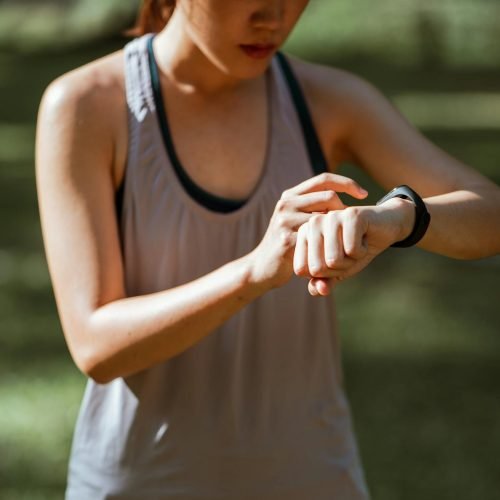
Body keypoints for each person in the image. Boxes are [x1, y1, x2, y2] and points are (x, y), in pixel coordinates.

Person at [35, 0, 500, 498]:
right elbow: (95, 345)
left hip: (314, 479)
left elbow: (489, 215)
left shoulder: (328, 100)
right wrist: (255, 271)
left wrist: (399, 216)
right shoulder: (88, 104)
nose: (273, 18)